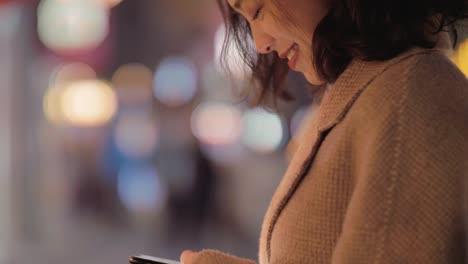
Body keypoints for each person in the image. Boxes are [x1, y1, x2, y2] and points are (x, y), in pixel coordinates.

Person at [181, 0, 468, 263]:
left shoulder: (412, 94)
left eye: (257, 10)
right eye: (246, 21)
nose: (260, 43)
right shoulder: (364, 95)